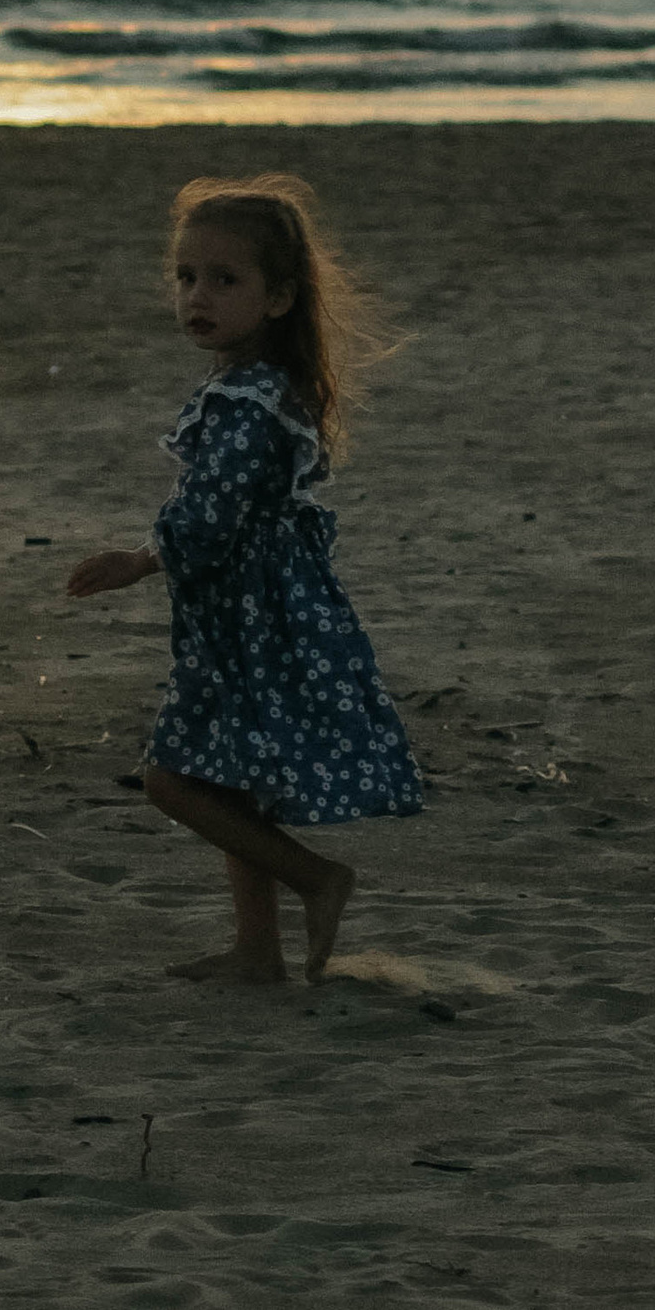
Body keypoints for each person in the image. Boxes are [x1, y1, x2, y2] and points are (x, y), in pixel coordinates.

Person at [66, 171, 422, 984]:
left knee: (171, 779)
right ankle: (257, 949)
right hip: (257, 611)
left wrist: (139, 561)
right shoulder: (254, 386)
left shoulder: (246, 400)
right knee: (229, 776)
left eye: (225, 281)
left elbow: (211, 512)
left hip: (253, 618)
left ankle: (315, 878)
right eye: (186, 277)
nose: (198, 296)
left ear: (279, 298)